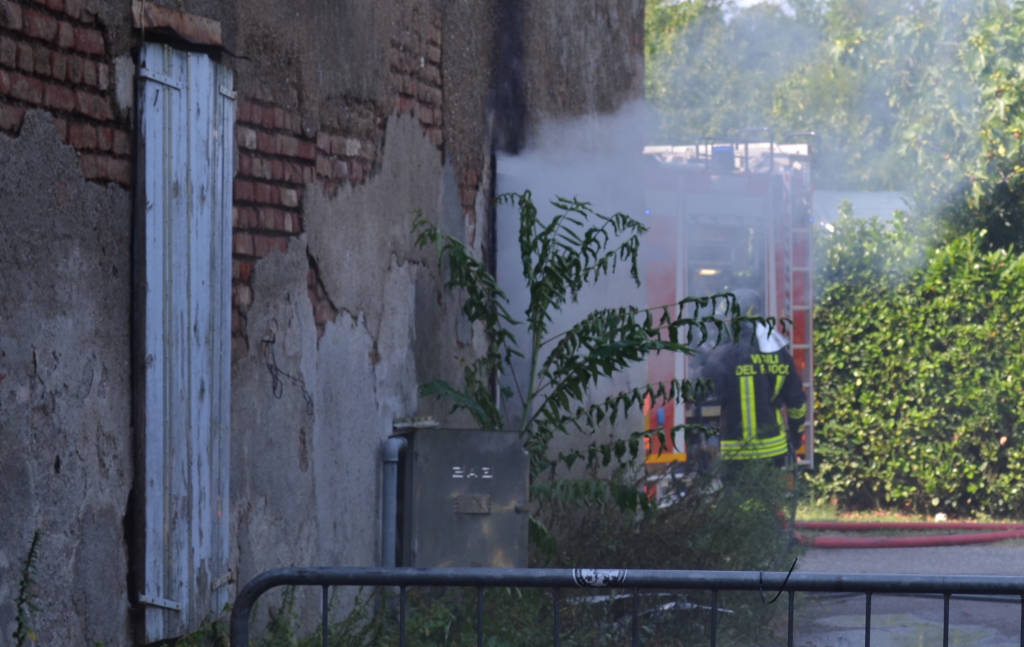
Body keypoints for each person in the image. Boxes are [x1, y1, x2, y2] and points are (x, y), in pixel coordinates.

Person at [700, 289, 807, 468]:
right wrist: (796, 438)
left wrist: (702, 360)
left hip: (736, 454)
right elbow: (797, 403)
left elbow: (702, 391)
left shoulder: (723, 355)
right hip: (774, 450)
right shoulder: (779, 351)